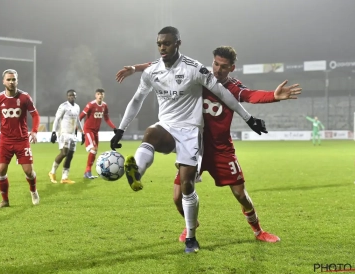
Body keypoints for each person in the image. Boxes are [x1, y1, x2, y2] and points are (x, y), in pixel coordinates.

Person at [116, 46, 302, 243]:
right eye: (215, 64)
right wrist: (135, 69)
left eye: (223, 67)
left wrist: (273, 96)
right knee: (177, 196)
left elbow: (250, 95)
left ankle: (258, 231)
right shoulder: (199, 75)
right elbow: (163, 63)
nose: (218, 70)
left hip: (222, 149)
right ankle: (191, 225)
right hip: (194, 144)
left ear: (232, 68)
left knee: (240, 194)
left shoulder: (233, 87)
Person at [0, 69, 40, 208]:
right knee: (1, 171)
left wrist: (34, 131)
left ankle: (33, 191)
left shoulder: (25, 97)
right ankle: (5, 201)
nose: (11, 82)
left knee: (29, 172)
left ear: (17, 80)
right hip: (5, 141)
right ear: (3, 81)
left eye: (14, 79)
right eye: (9, 79)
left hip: (22, 140)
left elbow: (35, 115)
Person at [79, 88, 117, 179]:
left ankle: (87, 172)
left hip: (96, 132)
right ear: (95, 95)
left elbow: (107, 119)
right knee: (93, 149)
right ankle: (87, 171)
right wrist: (79, 129)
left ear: (104, 95)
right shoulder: (91, 105)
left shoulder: (104, 106)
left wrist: (114, 128)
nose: (100, 95)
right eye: (98, 94)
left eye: (102, 94)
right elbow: (80, 117)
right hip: (88, 130)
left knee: (95, 151)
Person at [48, 90, 83, 184]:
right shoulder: (63, 106)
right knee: (64, 152)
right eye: (70, 95)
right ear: (67, 96)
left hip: (73, 135)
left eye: (73, 95)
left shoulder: (77, 107)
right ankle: (52, 172)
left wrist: (82, 132)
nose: (71, 97)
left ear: (75, 97)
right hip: (64, 133)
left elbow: (78, 120)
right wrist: (53, 132)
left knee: (70, 155)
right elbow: (57, 119)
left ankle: (64, 177)